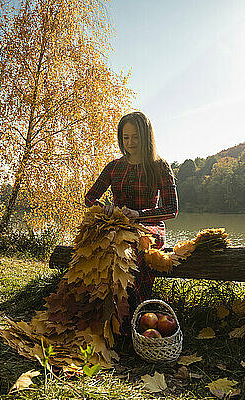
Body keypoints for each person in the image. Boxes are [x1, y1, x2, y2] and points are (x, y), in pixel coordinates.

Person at [84, 111, 178, 333]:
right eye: (125, 138)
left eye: (135, 137)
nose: (130, 143)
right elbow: (89, 197)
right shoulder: (114, 167)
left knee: (133, 250)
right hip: (117, 226)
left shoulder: (159, 166)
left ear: (146, 137)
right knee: (98, 247)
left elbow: (172, 209)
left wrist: (140, 214)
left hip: (147, 226)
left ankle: (132, 318)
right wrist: (103, 208)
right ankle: (99, 317)